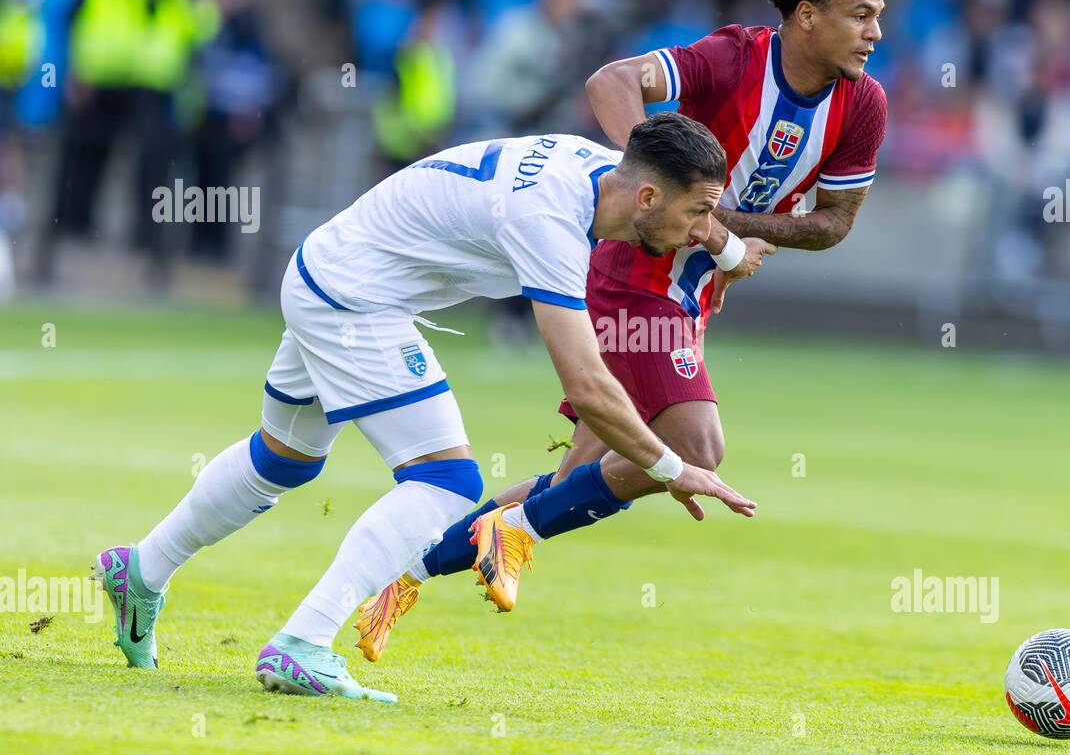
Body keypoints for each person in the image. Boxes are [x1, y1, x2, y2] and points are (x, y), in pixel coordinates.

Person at [355, 0, 889, 660]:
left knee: (577, 475)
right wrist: (674, 200)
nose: (875, 32)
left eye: (880, 16)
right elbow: (609, 82)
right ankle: (507, 537)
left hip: (691, 290)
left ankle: (398, 577)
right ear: (808, 15)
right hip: (637, 271)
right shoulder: (733, 59)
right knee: (696, 442)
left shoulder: (862, 106)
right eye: (861, 14)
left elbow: (833, 223)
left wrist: (726, 233)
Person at [92, 112, 756, 703]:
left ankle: (142, 569)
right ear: (646, 196)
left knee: (284, 459)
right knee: (446, 481)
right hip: (354, 302)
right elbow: (587, 386)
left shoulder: (596, 167)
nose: (702, 229)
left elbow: (687, 229)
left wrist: (728, 250)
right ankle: (302, 644)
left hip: (325, 268)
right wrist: (672, 468)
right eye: (699, 213)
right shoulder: (551, 224)